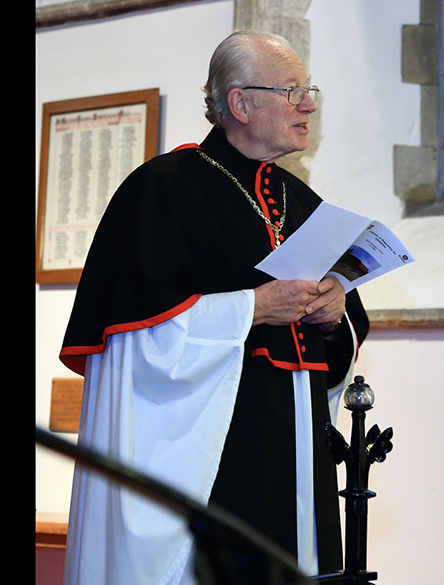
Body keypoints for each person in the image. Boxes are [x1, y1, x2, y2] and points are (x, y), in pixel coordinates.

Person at [59, 30, 370, 585]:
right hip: (212, 443)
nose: (309, 105)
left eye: (310, 90)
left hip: (299, 439)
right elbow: (131, 347)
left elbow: (341, 328)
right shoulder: (161, 190)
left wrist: (333, 311)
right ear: (240, 103)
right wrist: (252, 308)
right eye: (293, 90)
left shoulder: (302, 201)